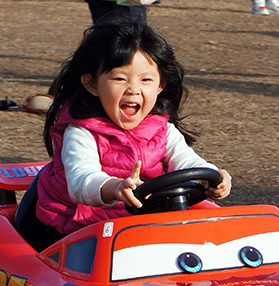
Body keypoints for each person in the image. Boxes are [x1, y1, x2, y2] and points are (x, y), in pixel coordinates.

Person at [36, 21, 231, 237]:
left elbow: (186, 162)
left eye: (146, 79)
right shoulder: (82, 131)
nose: (133, 90)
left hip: (142, 220)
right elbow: (81, 179)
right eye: (120, 78)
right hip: (83, 226)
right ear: (92, 84)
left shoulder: (162, 128)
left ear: (160, 85)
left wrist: (213, 176)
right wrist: (114, 187)